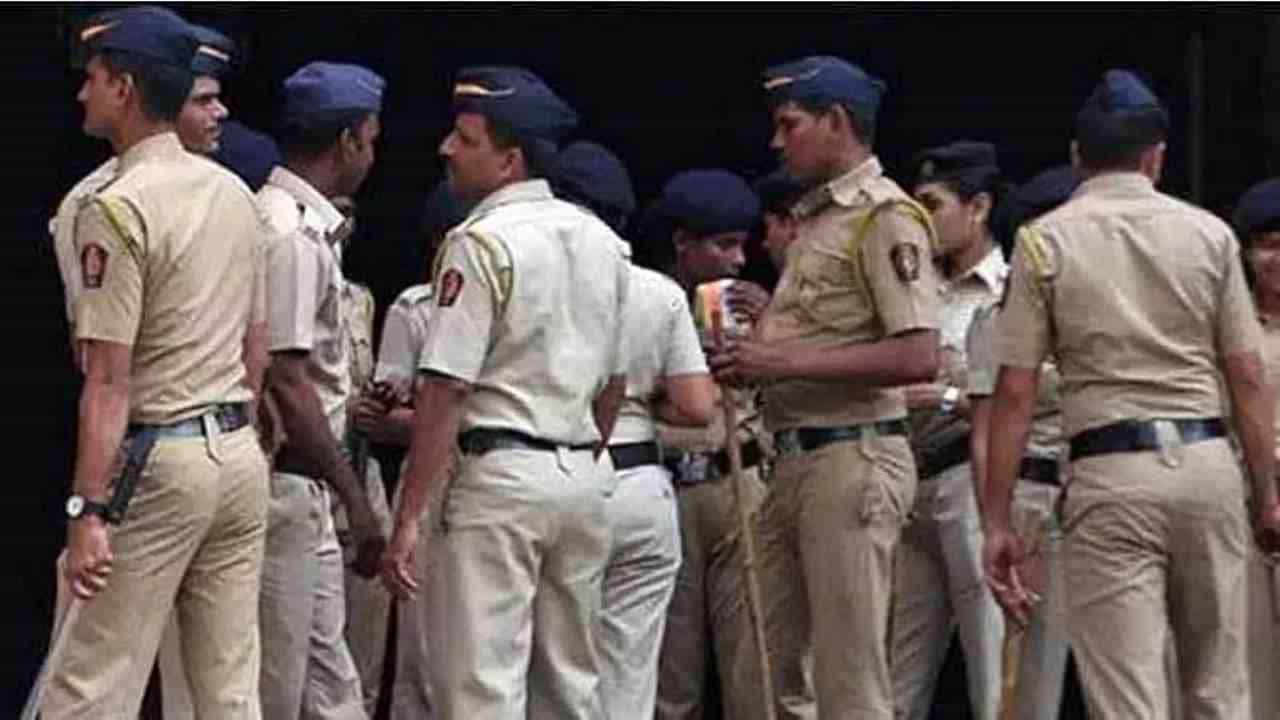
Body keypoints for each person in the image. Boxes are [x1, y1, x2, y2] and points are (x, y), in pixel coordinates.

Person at [982, 69, 1280, 720]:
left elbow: (1015, 392)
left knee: (1127, 699)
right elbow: (1247, 374)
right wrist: (1267, 493)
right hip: (1206, 466)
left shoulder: (1043, 240)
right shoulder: (1208, 234)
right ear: (1156, 158)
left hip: (1109, 472)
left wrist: (998, 519)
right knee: (1220, 690)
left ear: (1077, 157)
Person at [379, 66, 631, 720]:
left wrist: (409, 516)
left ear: (509, 160)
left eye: (466, 140)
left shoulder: (480, 242)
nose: (446, 150)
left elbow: (447, 387)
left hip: (498, 478)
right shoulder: (606, 244)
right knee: (570, 688)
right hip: (581, 472)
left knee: (480, 687)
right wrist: (578, 456)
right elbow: (615, 383)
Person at [44, 8, 269, 717]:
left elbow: (108, 377)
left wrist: (87, 508)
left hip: (160, 454)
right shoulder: (236, 193)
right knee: (226, 691)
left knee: (87, 685)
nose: (83, 92)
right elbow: (255, 345)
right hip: (236, 452)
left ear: (126, 89)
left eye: (95, 78)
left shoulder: (113, 206)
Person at [712, 54, 942, 717]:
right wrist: (755, 355)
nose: (776, 141)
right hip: (793, 457)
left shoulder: (884, 216)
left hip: (851, 455)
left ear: (837, 121)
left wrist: (779, 361)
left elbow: (918, 354)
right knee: (761, 668)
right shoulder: (819, 219)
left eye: (790, 124)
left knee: (850, 677)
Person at [557, 141, 717, 719]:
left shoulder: (544, 281)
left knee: (559, 667)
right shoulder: (661, 292)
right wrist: (645, 400)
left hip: (566, 473)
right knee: (628, 676)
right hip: (643, 484)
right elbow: (698, 407)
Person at [257, 60, 387, 720]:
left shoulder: (307, 227)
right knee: (275, 690)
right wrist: (355, 498)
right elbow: (286, 380)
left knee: (332, 688)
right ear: (348, 141)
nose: (372, 154)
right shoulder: (289, 233)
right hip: (285, 484)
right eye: (371, 138)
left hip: (304, 489)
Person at [641, 169, 778, 720]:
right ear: (682, 242)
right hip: (669, 482)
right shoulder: (645, 301)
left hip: (739, 482)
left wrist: (772, 325)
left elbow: (795, 383)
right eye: (724, 245)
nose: (739, 260)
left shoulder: (754, 305)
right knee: (671, 675)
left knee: (757, 659)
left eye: (742, 245)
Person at [891, 140, 1009, 720]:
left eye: (933, 205)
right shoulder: (911, 286)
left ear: (978, 207)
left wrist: (946, 395)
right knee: (897, 669)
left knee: (991, 658)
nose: (921, 220)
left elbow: (1029, 399)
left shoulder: (1011, 287)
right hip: (907, 480)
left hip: (970, 477)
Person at [965, 164, 1084, 720]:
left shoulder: (1110, 310)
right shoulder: (997, 318)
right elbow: (985, 433)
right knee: (1033, 670)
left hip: (1108, 490)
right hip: (1037, 498)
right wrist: (997, 521)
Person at [359, 181, 470, 720]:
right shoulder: (418, 307)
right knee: (422, 649)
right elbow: (381, 417)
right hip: (435, 476)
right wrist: (445, 422)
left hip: (503, 474)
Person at [1232, 177, 1280, 720]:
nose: (1278, 259)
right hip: (1241, 507)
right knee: (1248, 665)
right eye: (1268, 245)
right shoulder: (1229, 329)